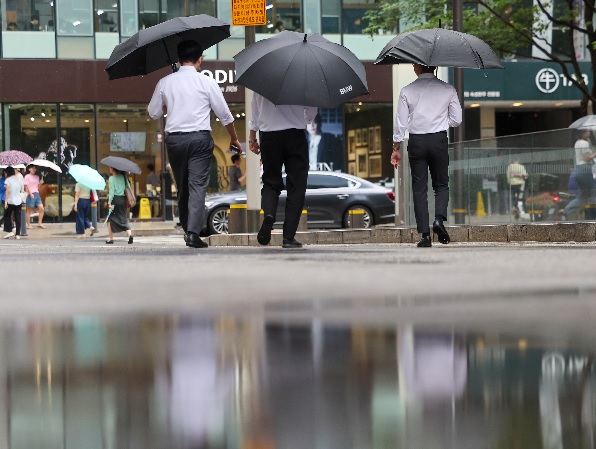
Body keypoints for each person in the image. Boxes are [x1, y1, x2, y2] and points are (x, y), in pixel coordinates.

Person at [148, 39, 241, 249]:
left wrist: (168, 107)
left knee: (183, 187)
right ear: (200, 59)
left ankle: (186, 227)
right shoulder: (207, 82)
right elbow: (225, 115)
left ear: (179, 59)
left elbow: (153, 112)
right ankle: (192, 233)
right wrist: (234, 139)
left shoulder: (165, 82)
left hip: (175, 141)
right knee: (197, 186)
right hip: (199, 139)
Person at [390, 64, 462, 247]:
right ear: (435, 67)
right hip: (438, 140)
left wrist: (396, 147)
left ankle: (425, 235)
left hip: (417, 142)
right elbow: (456, 119)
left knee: (419, 188)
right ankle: (439, 220)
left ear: (417, 67)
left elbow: (401, 121)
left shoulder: (407, 90)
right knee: (441, 185)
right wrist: (439, 120)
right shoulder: (448, 89)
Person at [248, 92, 318, 249]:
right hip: (295, 135)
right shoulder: (302, 80)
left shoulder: (262, 82)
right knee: (297, 186)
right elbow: (311, 111)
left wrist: (253, 138)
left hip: (269, 136)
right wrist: (303, 119)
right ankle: (288, 237)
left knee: (270, 181)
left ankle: (269, 215)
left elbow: (255, 112)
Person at [564, 129, 596, 218]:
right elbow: (587, 158)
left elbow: (583, 156)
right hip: (585, 170)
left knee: (583, 196)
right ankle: (592, 217)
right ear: (583, 133)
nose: (589, 133)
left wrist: (592, 153)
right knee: (593, 193)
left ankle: (567, 209)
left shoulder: (577, 143)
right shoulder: (585, 143)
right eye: (587, 131)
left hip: (578, 170)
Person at [106, 166, 133, 244]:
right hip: (123, 200)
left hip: (115, 200)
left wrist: (109, 202)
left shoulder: (111, 178)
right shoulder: (123, 177)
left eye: (110, 168)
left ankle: (111, 239)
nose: (110, 169)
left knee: (110, 219)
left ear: (113, 169)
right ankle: (130, 236)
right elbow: (128, 186)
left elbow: (111, 192)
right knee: (123, 218)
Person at [3, 166, 23, 239]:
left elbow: (8, 191)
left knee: (7, 216)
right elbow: (21, 189)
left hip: (10, 200)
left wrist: (6, 201)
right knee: (18, 217)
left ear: (7, 172)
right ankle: (17, 234)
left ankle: (10, 231)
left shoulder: (8, 180)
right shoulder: (19, 179)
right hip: (18, 200)